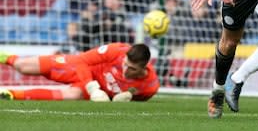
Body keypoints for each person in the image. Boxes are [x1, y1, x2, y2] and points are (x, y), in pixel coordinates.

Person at [0, 42, 159, 102]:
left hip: (94, 91)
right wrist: (92, 86)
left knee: (72, 96)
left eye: (132, 69)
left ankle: (11, 94)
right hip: (82, 71)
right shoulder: (116, 50)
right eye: (125, 64)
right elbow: (81, 60)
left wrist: (127, 97)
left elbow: (137, 97)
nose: (126, 70)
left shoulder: (150, 86)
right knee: (22, 66)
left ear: (144, 67)